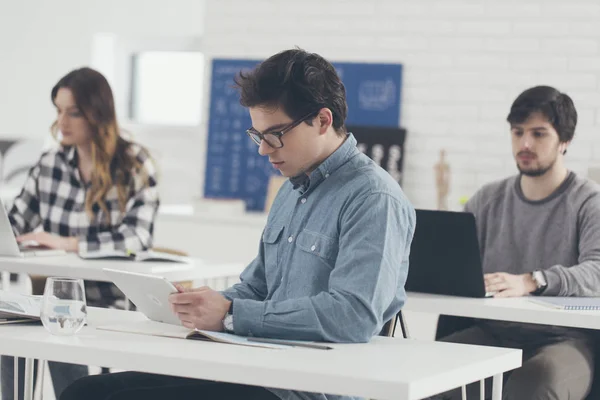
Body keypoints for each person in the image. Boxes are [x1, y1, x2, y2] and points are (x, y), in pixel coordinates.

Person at [60, 49, 416, 400]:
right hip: (249, 368)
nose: (264, 150)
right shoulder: (291, 190)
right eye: (258, 135)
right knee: (86, 391)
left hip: (304, 390)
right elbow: (258, 288)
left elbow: (353, 315)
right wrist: (207, 303)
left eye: (276, 134)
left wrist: (230, 314)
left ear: (323, 120)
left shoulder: (373, 198)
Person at [2, 67, 159, 400]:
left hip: (113, 299)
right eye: (59, 111)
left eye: (73, 112)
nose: (63, 122)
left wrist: (67, 243)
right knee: (10, 331)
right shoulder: (50, 164)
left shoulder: (134, 163)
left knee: (61, 333)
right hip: (56, 296)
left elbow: (137, 239)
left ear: (97, 114)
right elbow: (15, 223)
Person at [435, 86, 600, 400]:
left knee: (533, 385)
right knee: (427, 370)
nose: (525, 144)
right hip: (495, 332)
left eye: (539, 134)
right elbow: (452, 260)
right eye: (517, 132)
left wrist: (533, 280)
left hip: (564, 341)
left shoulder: (589, 201)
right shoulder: (487, 199)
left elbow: (597, 271)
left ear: (564, 141)